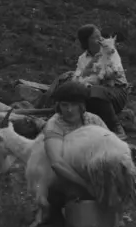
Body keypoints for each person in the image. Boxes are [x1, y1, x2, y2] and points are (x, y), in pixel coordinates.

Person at [41, 78, 107, 209]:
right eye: (64, 105)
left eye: (74, 105)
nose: (69, 110)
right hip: (66, 176)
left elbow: (108, 146)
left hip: (94, 170)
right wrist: (85, 184)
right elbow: (57, 163)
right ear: (58, 106)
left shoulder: (94, 120)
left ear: (81, 105)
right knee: (71, 192)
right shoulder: (54, 125)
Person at [72, 23, 129, 138]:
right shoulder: (82, 59)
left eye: (100, 36)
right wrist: (91, 64)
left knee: (95, 91)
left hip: (116, 91)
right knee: (76, 90)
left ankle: (116, 127)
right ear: (87, 42)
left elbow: (116, 72)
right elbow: (78, 77)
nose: (101, 39)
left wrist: (100, 73)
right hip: (91, 92)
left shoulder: (110, 51)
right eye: (96, 37)